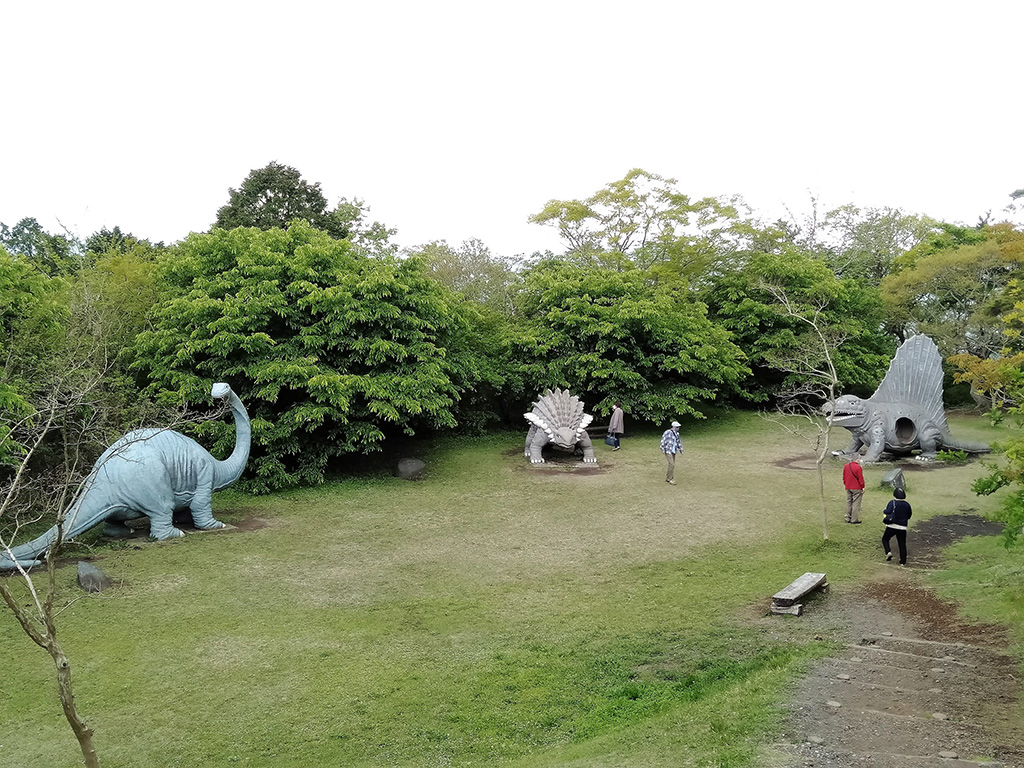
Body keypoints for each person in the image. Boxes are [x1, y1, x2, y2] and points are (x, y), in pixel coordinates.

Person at [881, 487, 912, 566]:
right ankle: (903, 562)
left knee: (885, 539)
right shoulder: (907, 505)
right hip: (902, 527)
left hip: (891, 525)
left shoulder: (892, 502)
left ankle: (888, 552)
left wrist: (884, 512)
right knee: (902, 544)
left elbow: (887, 511)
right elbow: (909, 515)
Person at [843, 457, 865, 524]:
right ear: (857, 459)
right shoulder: (858, 467)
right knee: (856, 503)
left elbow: (844, 476)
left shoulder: (846, 466)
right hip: (856, 487)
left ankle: (847, 518)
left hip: (848, 486)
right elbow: (860, 478)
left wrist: (846, 484)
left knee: (849, 502)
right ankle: (854, 519)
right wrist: (863, 487)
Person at [660, 420, 683, 485]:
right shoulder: (667, 432)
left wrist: (681, 449)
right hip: (668, 450)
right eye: (677, 427)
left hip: (673, 451)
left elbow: (678, 442)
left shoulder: (677, 434)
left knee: (672, 465)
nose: (678, 428)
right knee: (671, 464)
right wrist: (662, 448)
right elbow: (663, 440)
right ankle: (670, 479)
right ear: (674, 427)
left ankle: (668, 477)